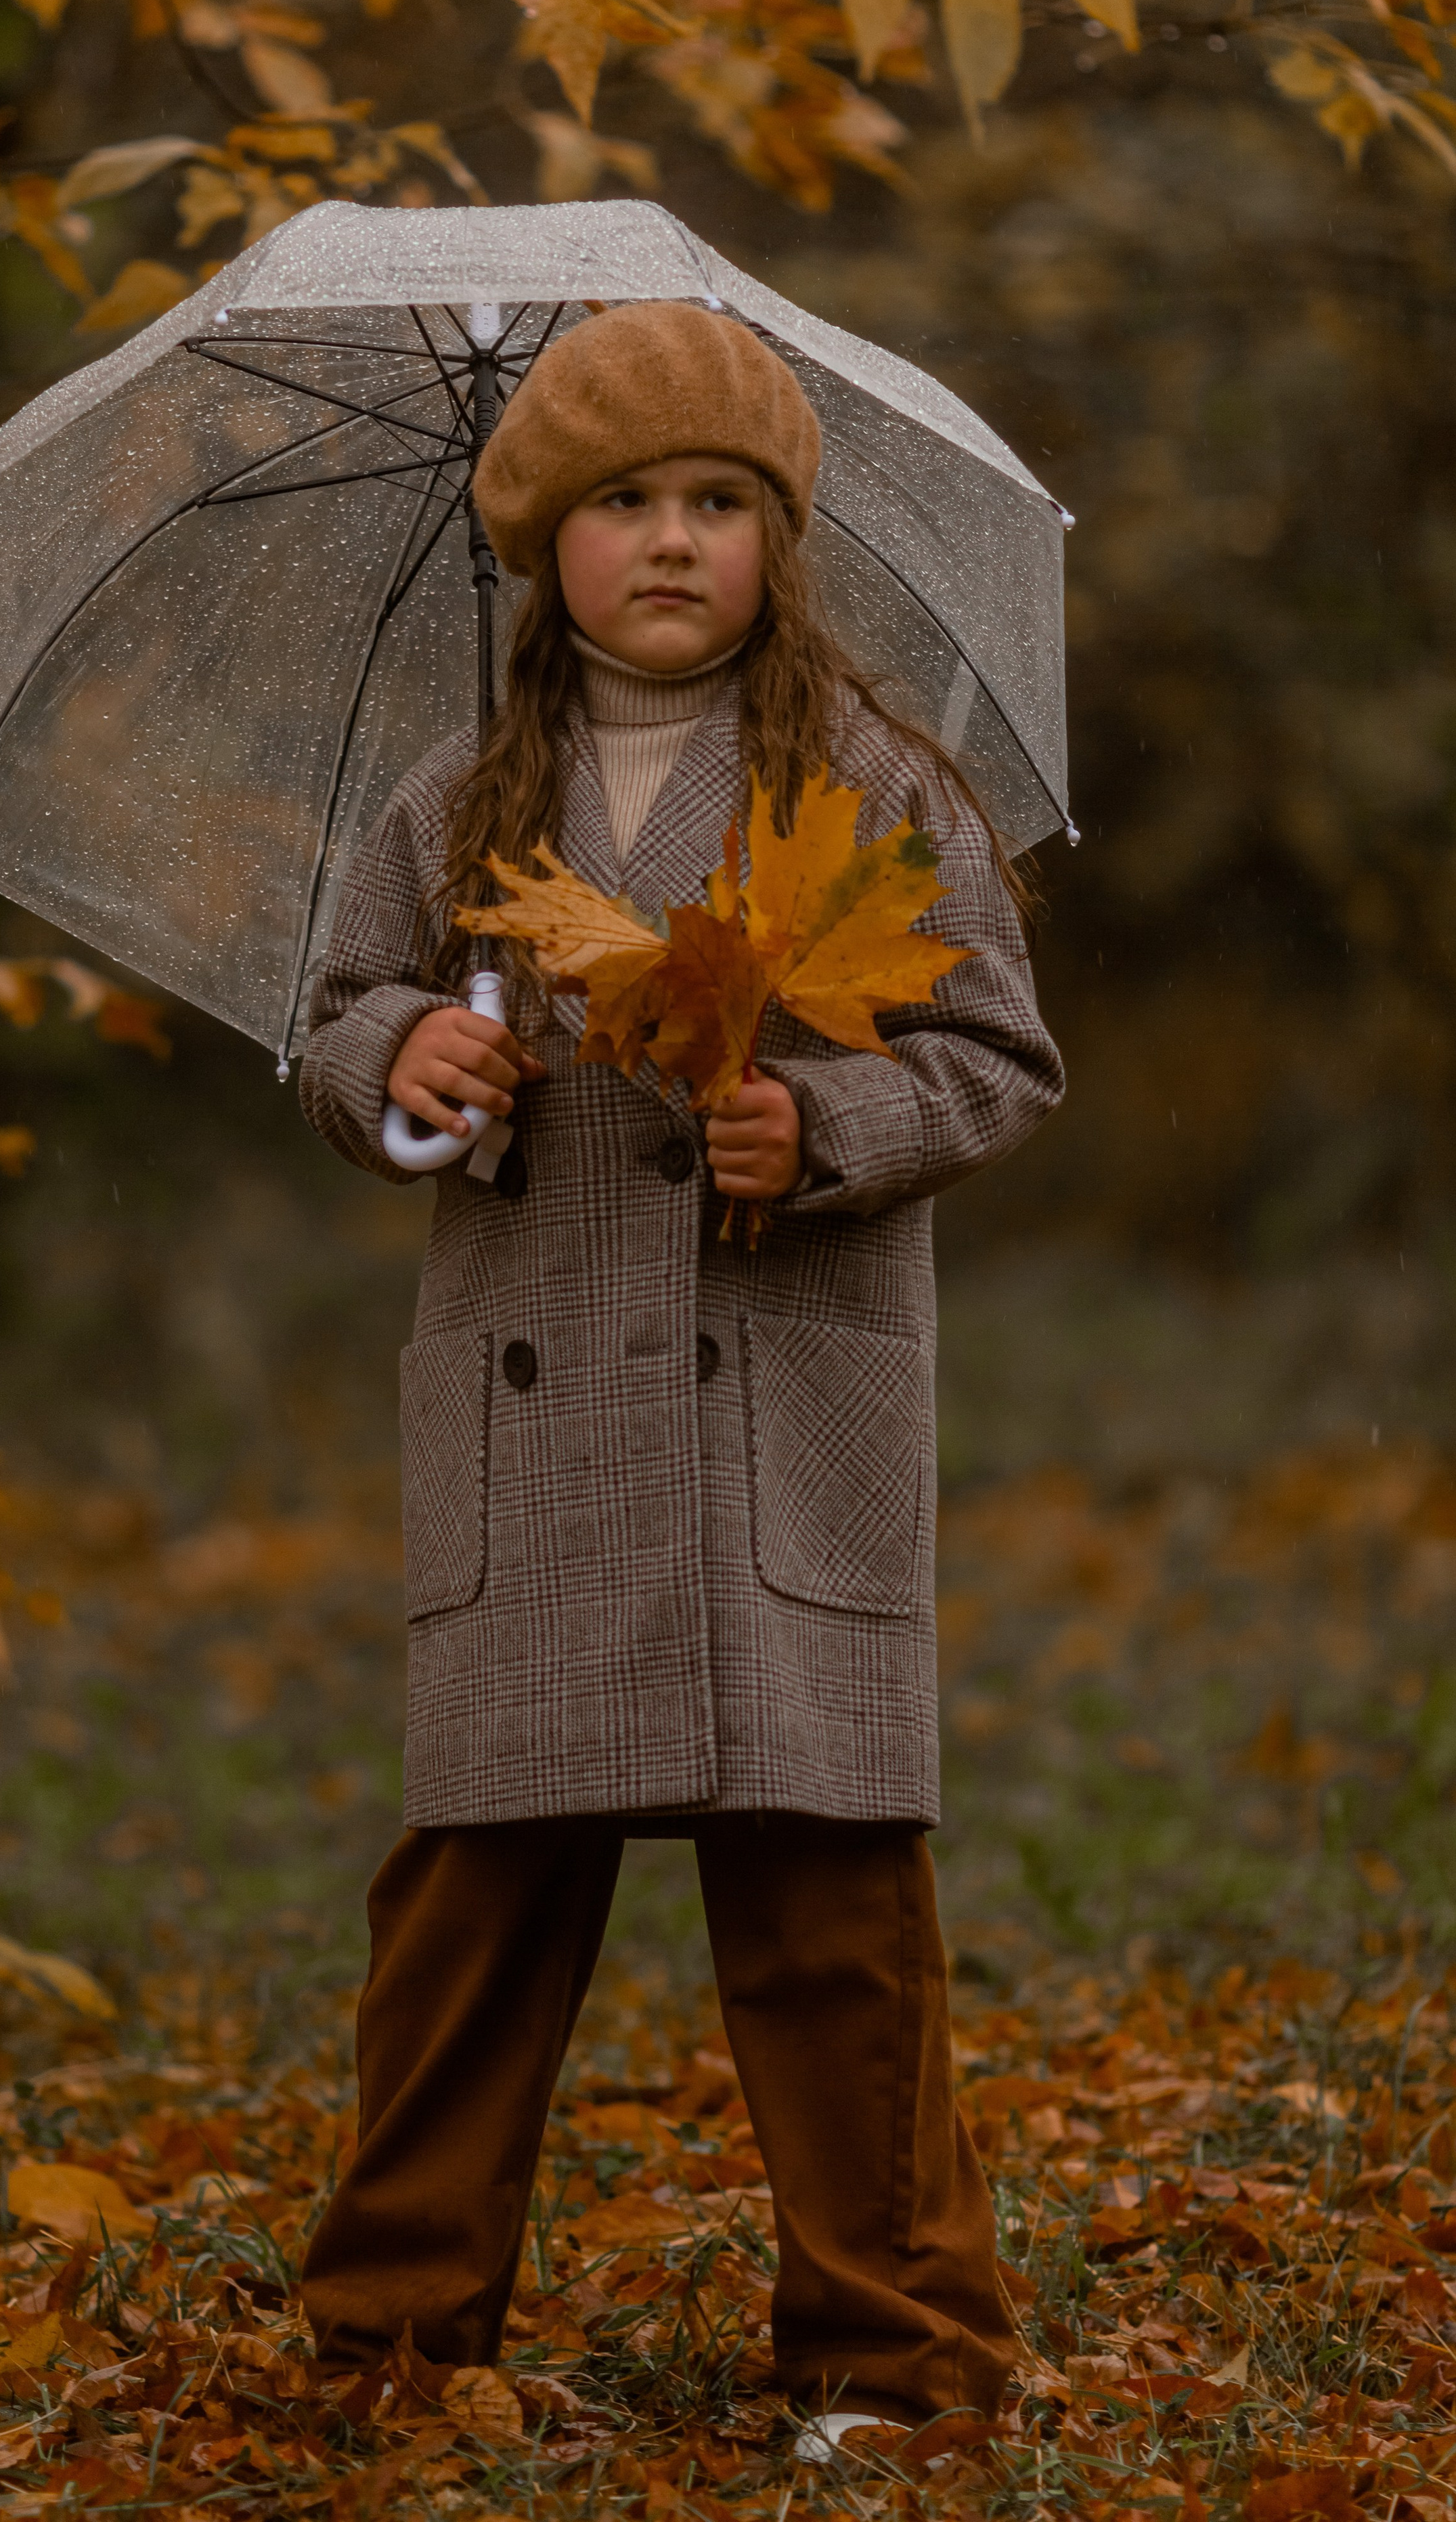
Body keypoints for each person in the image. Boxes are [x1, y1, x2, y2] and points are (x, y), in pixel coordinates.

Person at [294, 301, 1065, 2445]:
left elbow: (1000, 1055)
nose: (669, 542)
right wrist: (403, 1066)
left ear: (778, 538)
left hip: (772, 1417)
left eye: (718, 502)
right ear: (542, 545)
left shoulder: (878, 786)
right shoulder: (456, 807)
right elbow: (340, 1023)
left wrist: (833, 1129)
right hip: (540, 1429)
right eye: (621, 502)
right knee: (470, 1912)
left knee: (834, 1908)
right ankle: (392, 2340)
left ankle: (901, 2355)